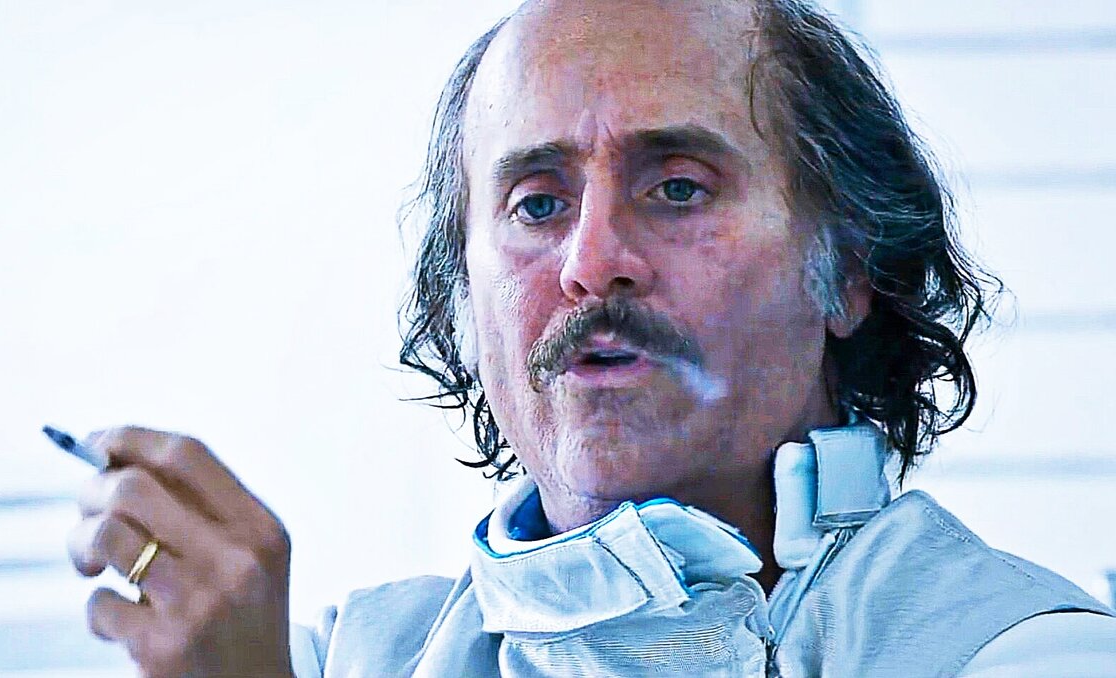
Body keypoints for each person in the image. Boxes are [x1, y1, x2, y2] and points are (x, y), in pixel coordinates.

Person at [66, 0, 1116, 676]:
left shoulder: (1025, 654)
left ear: (846, 273)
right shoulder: (327, 660)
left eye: (677, 187)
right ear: (465, 299)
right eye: (536, 203)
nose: (591, 259)